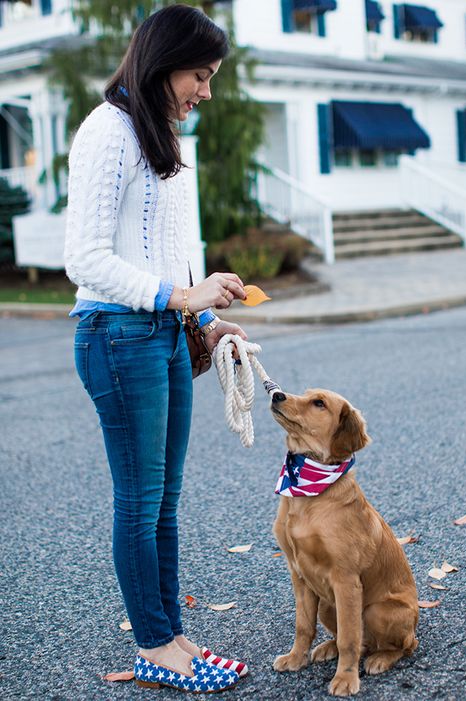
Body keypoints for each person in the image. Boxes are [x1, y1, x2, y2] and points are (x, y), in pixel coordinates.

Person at [64, 4, 249, 693]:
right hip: (118, 334)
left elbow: (174, 250)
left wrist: (203, 320)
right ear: (164, 61)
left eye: (212, 77)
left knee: (164, 500)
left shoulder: (164, 134)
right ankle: (154, 644)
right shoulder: (107, 131)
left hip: (166, 334)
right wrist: (182, 298)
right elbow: (83, 259)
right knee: (140, 501)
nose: (207, 90)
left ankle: (172, 636)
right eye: (200, 75)